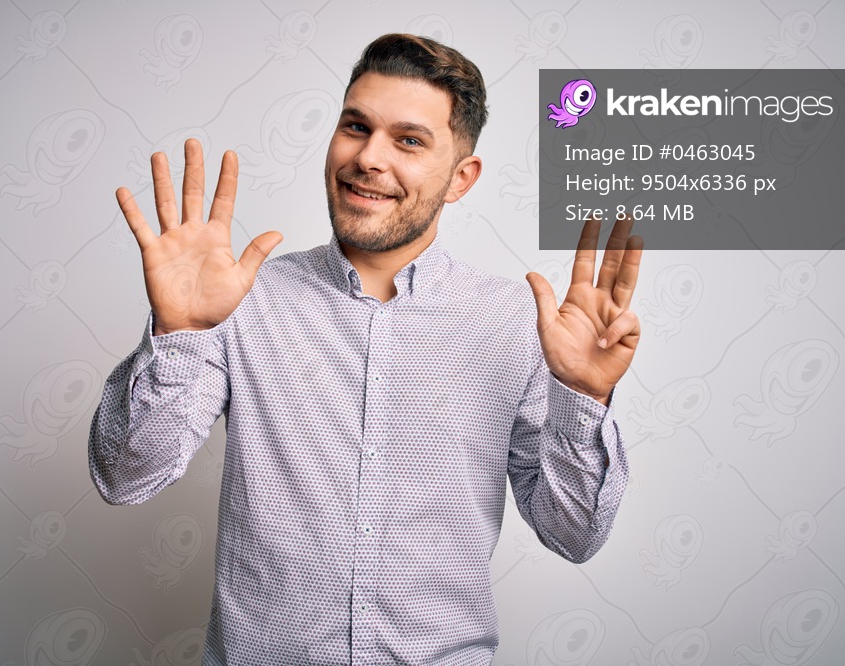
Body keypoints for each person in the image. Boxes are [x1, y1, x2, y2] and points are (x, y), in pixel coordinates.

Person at [89, 33, 642, 666]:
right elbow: (125, 477)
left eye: (408, 140)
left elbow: (573, 535)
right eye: (357, 126)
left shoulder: (517, 325)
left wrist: (583, 398)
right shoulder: (242, 297)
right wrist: (180, 333)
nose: (368, 158)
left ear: (462, 178)